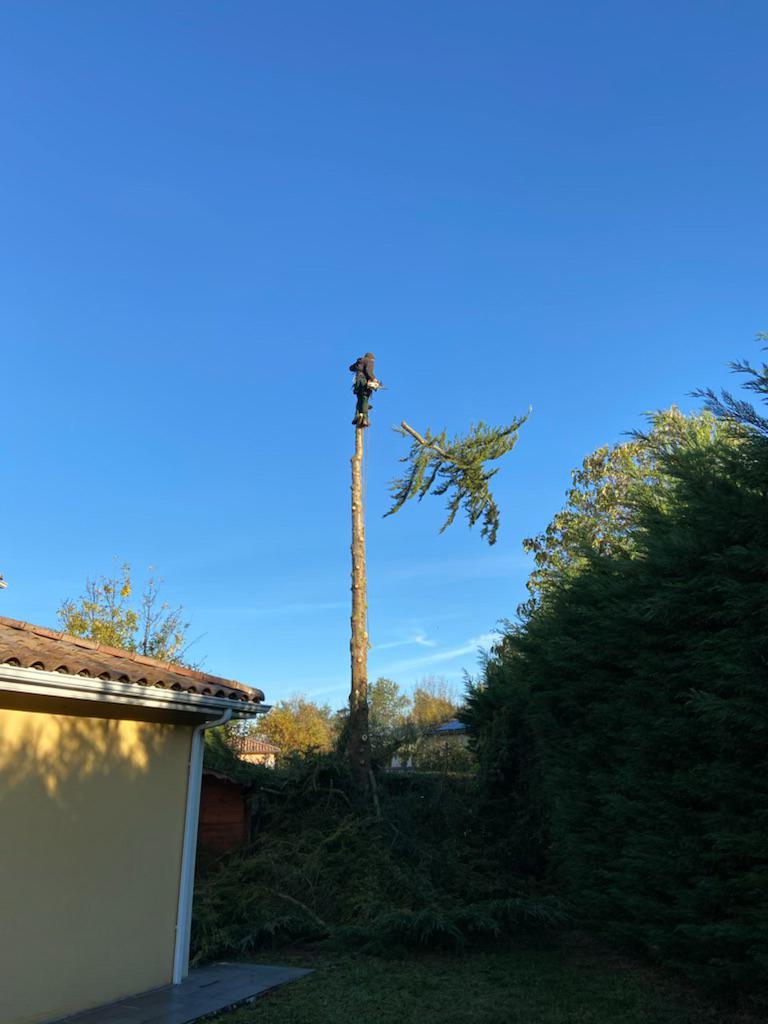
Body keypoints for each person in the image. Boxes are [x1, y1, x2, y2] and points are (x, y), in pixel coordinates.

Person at [349, 352, 380, 427]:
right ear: (371, 358)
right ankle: (365, 419)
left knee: (359, 400)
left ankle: (357, 416)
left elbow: (351, 368)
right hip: (364, 382)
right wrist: (375, 379)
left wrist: (357, 364)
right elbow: (368, 371)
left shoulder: (360, 361)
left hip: (357, 383)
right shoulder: (369, 361)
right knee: (365, 399)